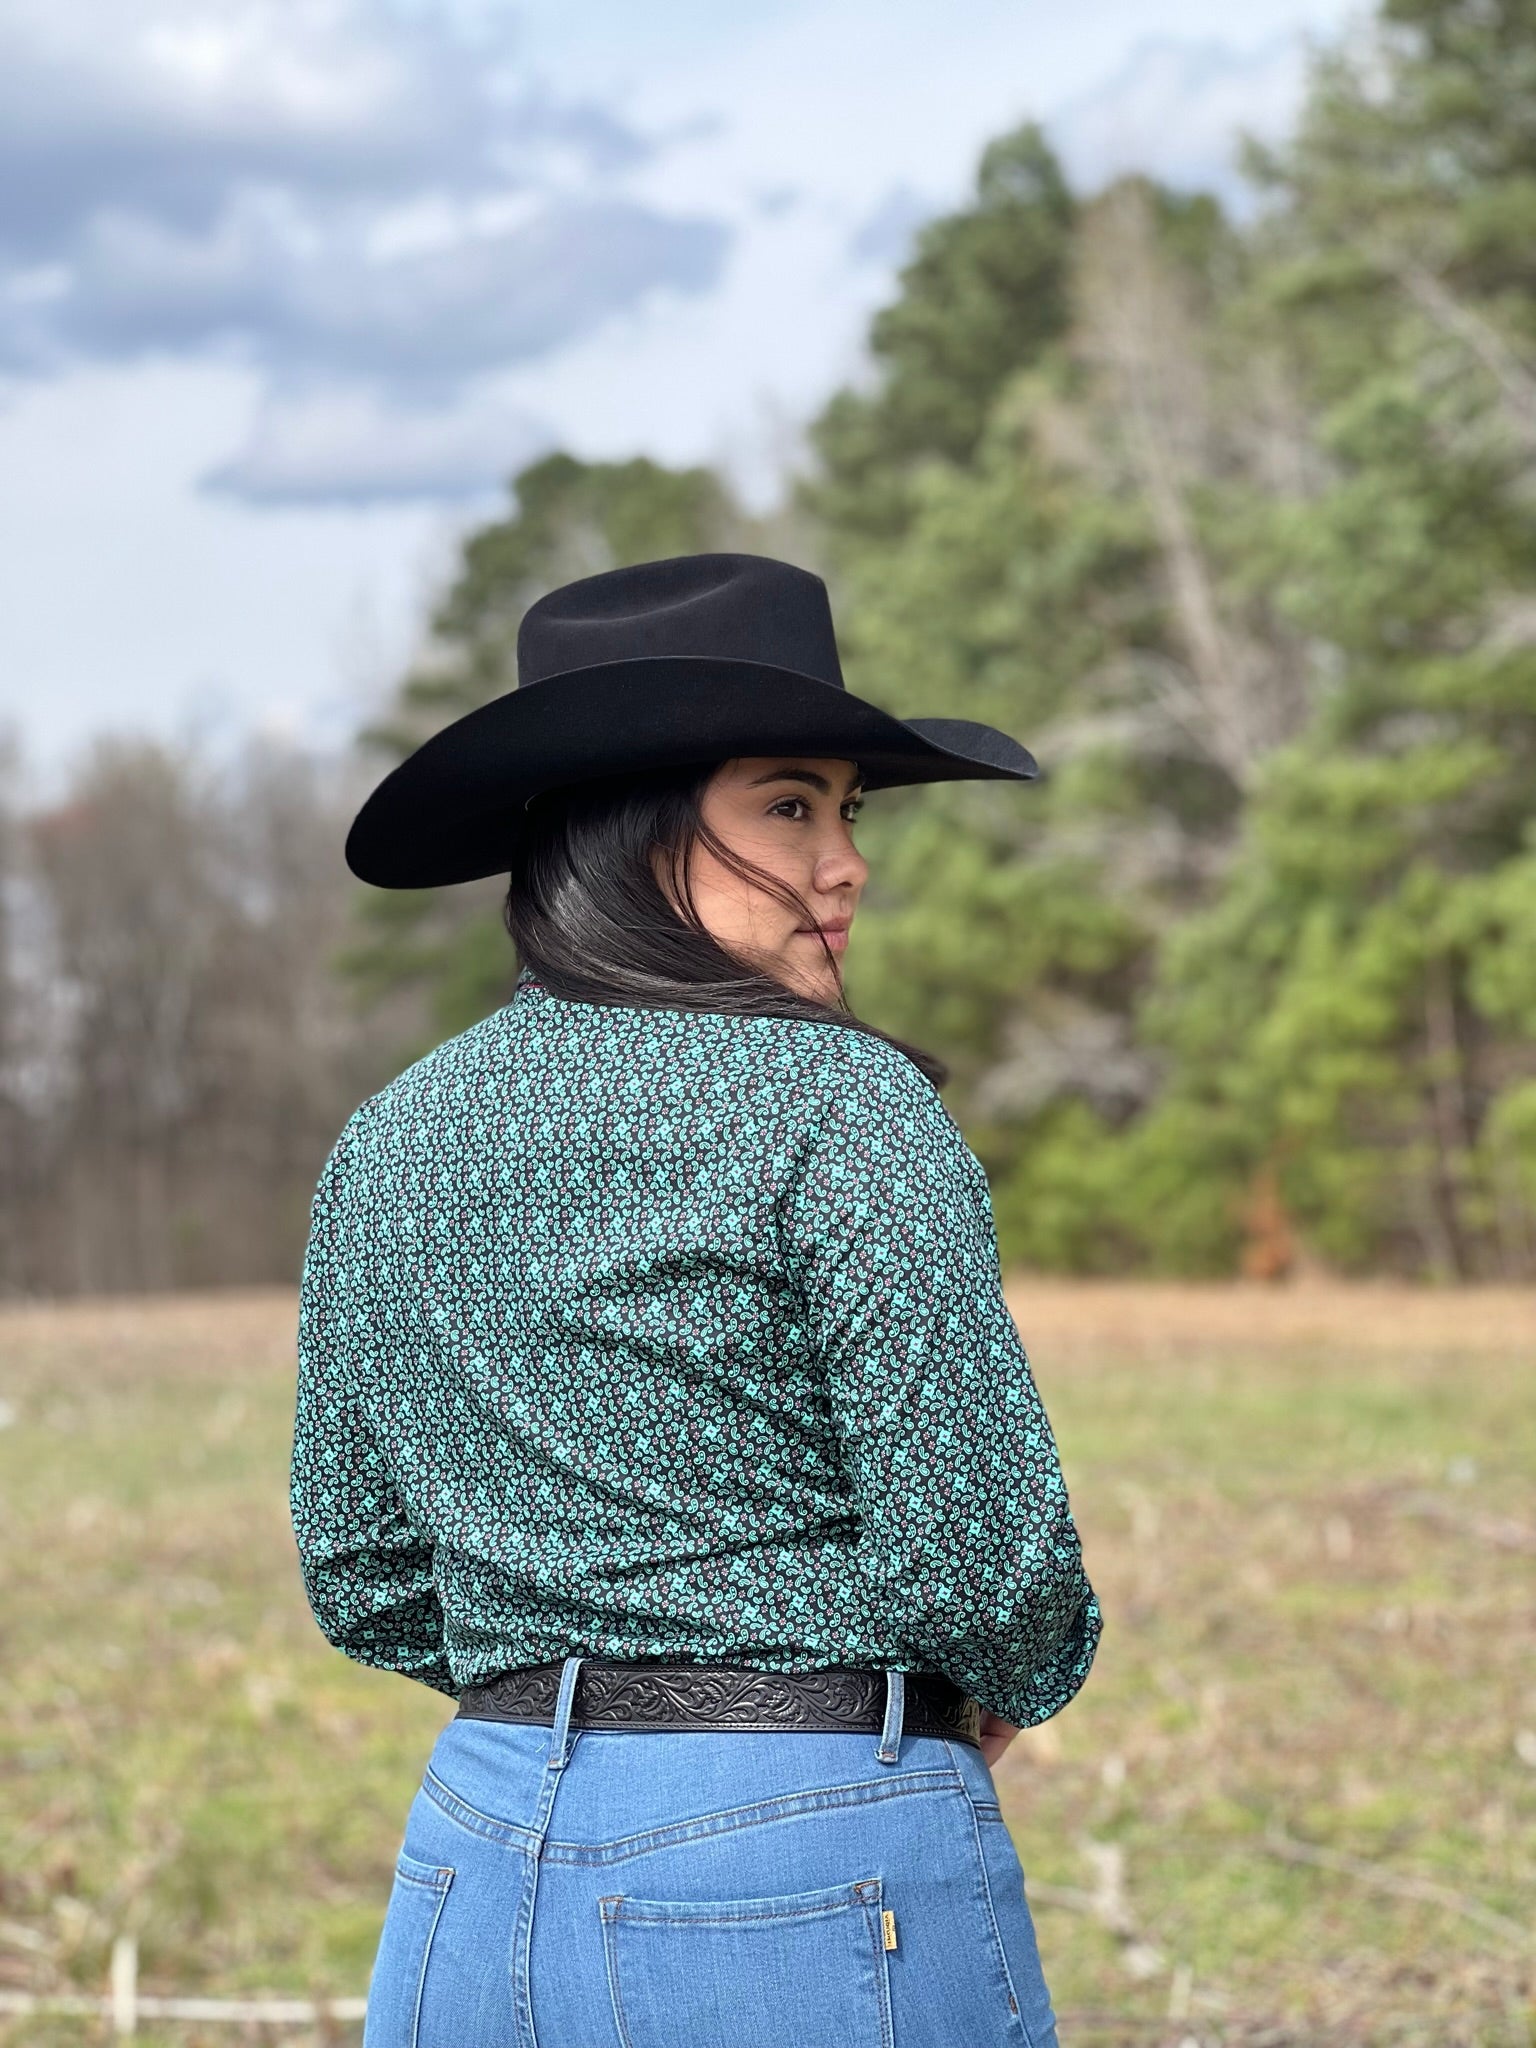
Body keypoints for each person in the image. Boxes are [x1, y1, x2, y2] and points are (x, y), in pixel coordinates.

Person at [290, 552, 1103, 2048]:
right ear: (632, 822)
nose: (845, 861)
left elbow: (364, 1568)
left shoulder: (391, 1134)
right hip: (802, 1854)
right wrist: (986, 1687)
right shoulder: (842, 1104)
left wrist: (564, 1686)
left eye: (847, 811)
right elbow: (979, 1551)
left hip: (470, 1864)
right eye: (788, 805)